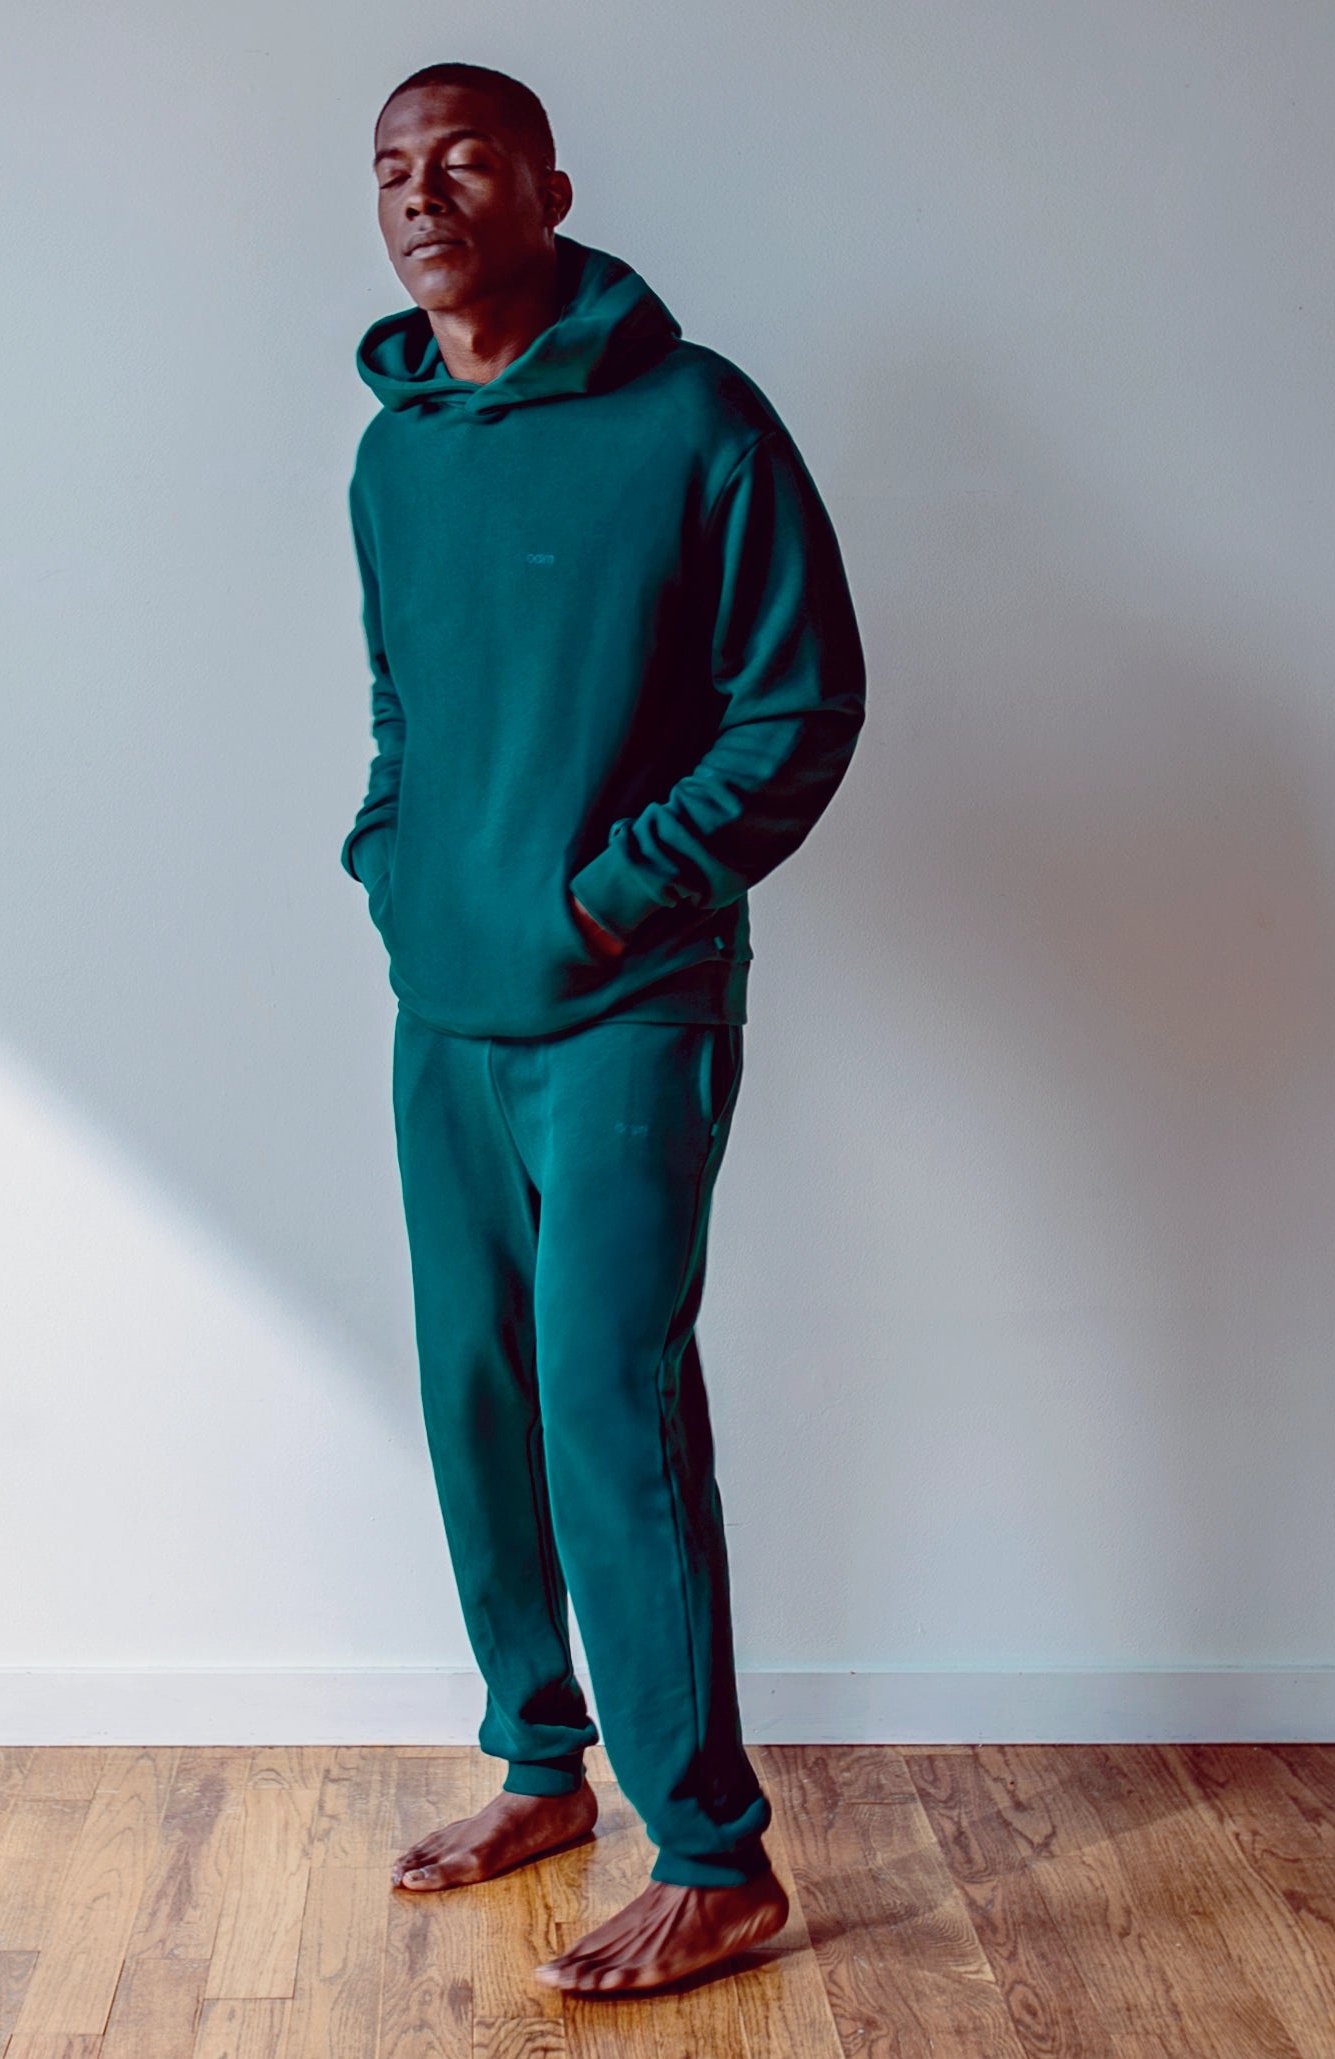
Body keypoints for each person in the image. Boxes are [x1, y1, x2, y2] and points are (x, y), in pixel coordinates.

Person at [340, 60, 867, 1994]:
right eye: (392, 167)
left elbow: (799, 705)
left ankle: (715, 1852)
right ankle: (541, 1764)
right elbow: (401, 709)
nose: (424, 191)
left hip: (631, 1011)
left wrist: (617, 892)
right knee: (474, 1398)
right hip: (445, 1011)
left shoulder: (696, 421)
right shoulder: (395, 454)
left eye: (463, 154)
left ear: (551, 181)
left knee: (606, 1407)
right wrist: (396, 861)